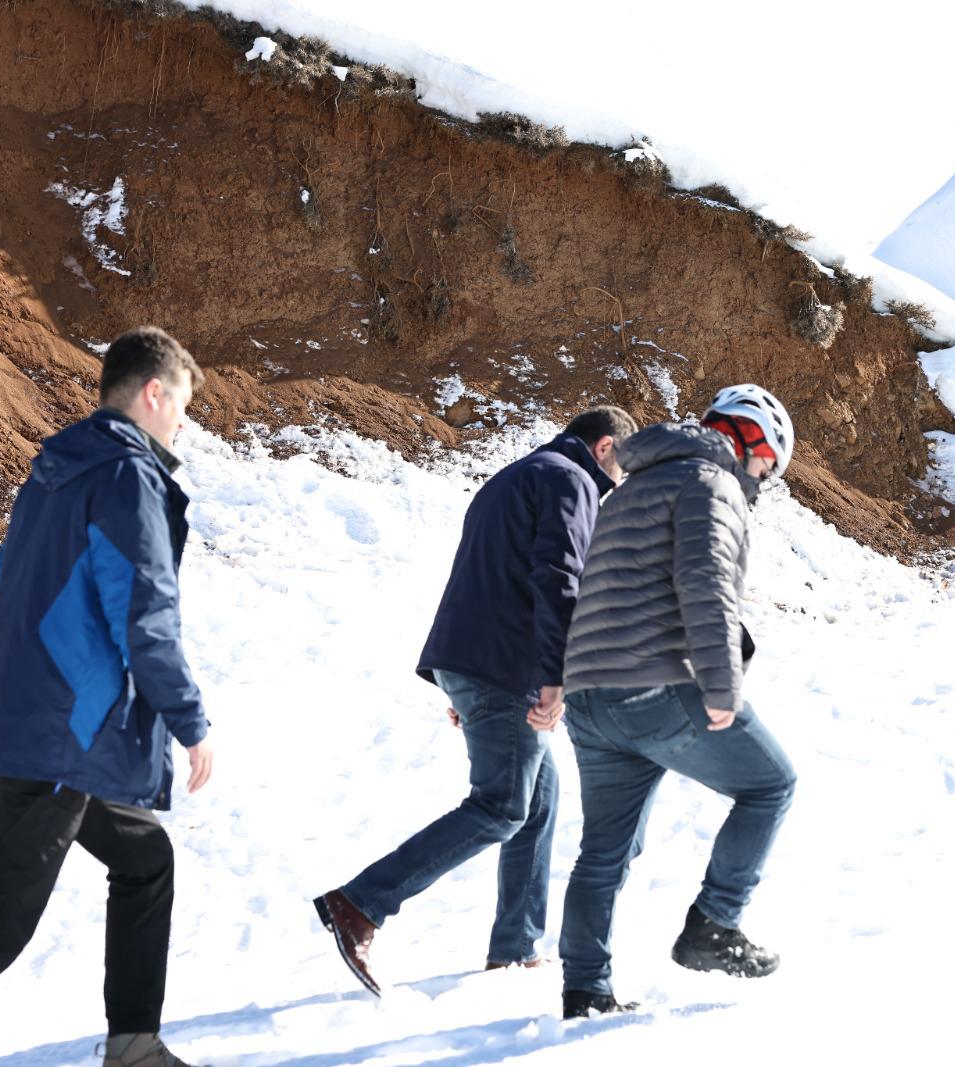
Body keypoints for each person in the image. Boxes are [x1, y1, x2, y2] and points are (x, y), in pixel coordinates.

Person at [0, 326, 216, 1067]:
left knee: (145, 858)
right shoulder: (127, 475)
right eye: (182, 407)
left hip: (51, 721)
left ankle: (133, 1045)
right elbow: (144, 615)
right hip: (66, 730)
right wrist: (190, 720)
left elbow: (4, 596)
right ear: (152, 394)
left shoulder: (57, 471)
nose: (182, 424)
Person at [313, 406, 638, 995]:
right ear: (605, 447)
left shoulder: (515, 476)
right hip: (504, 666)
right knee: (503, 805)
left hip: (476, 660)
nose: (618, 484)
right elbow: (560, 579)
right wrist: (557, 676)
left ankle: (516, 948)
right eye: (623, 468)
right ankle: (361, 903)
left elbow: (487, 575)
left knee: (538, 800)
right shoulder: (571, 480)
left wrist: (463, 679)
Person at [556, 384, 800, 1020]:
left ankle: (585, 991)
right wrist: (721, 685)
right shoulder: (709, 482)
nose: (763, 480)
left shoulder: (630, 487)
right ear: (747, 440)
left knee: (604, 852)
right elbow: (705, 581)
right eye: (767, 464)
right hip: (655, 685)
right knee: (771, 784)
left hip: (591, 695)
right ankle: (714, 926)